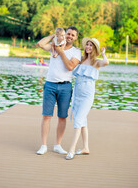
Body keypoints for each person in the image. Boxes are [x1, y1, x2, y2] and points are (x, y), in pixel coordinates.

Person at [36, 26, 81, 155]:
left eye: (73, 35)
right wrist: (55, 35)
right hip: (50, 84)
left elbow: (70, 67)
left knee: (62, 117)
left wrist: (61, 52)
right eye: (68, 34)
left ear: (76, 38)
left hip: (65, 87)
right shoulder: (54, 45)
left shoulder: (76, 52)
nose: (70, 36)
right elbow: (40, 44)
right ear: (64, 34)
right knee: (46, 116)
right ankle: (43, 145)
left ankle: (57, 145)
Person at [65, 37, 109, 160]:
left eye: (91, 45)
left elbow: (106, 62)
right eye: (87, 45)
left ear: (95, 48)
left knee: (78, 119)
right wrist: (75, 52)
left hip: (87, 95)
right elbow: (69, 61)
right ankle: (85, 148)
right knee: (82, 121)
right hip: (77, 94)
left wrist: (104, 54)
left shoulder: (97, 62)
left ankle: (72, 150)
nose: (88, 47)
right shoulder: (82, 59)